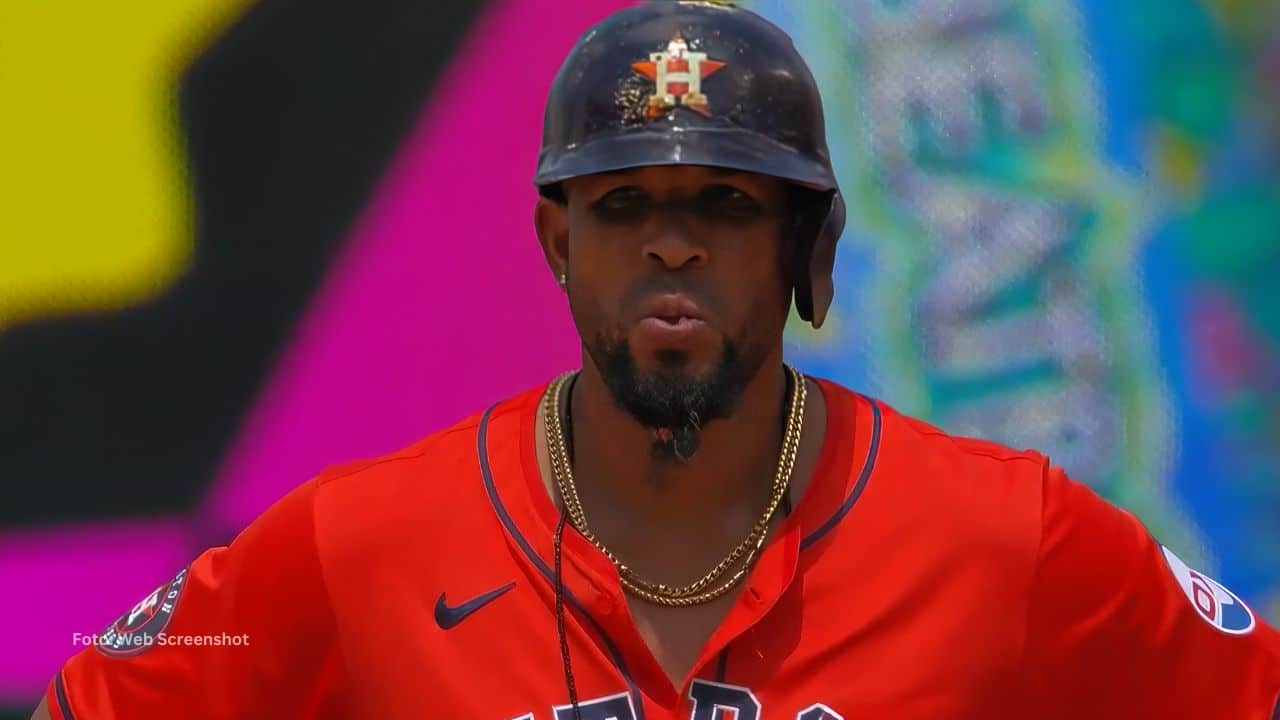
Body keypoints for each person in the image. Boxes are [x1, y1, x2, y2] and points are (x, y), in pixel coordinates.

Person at [32, 2, 1280, 718]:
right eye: (624, 208)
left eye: (726, 208)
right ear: (556, 243)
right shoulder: (356, 542)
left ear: (807, 245)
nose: (673, 250)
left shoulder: (1005, 531)